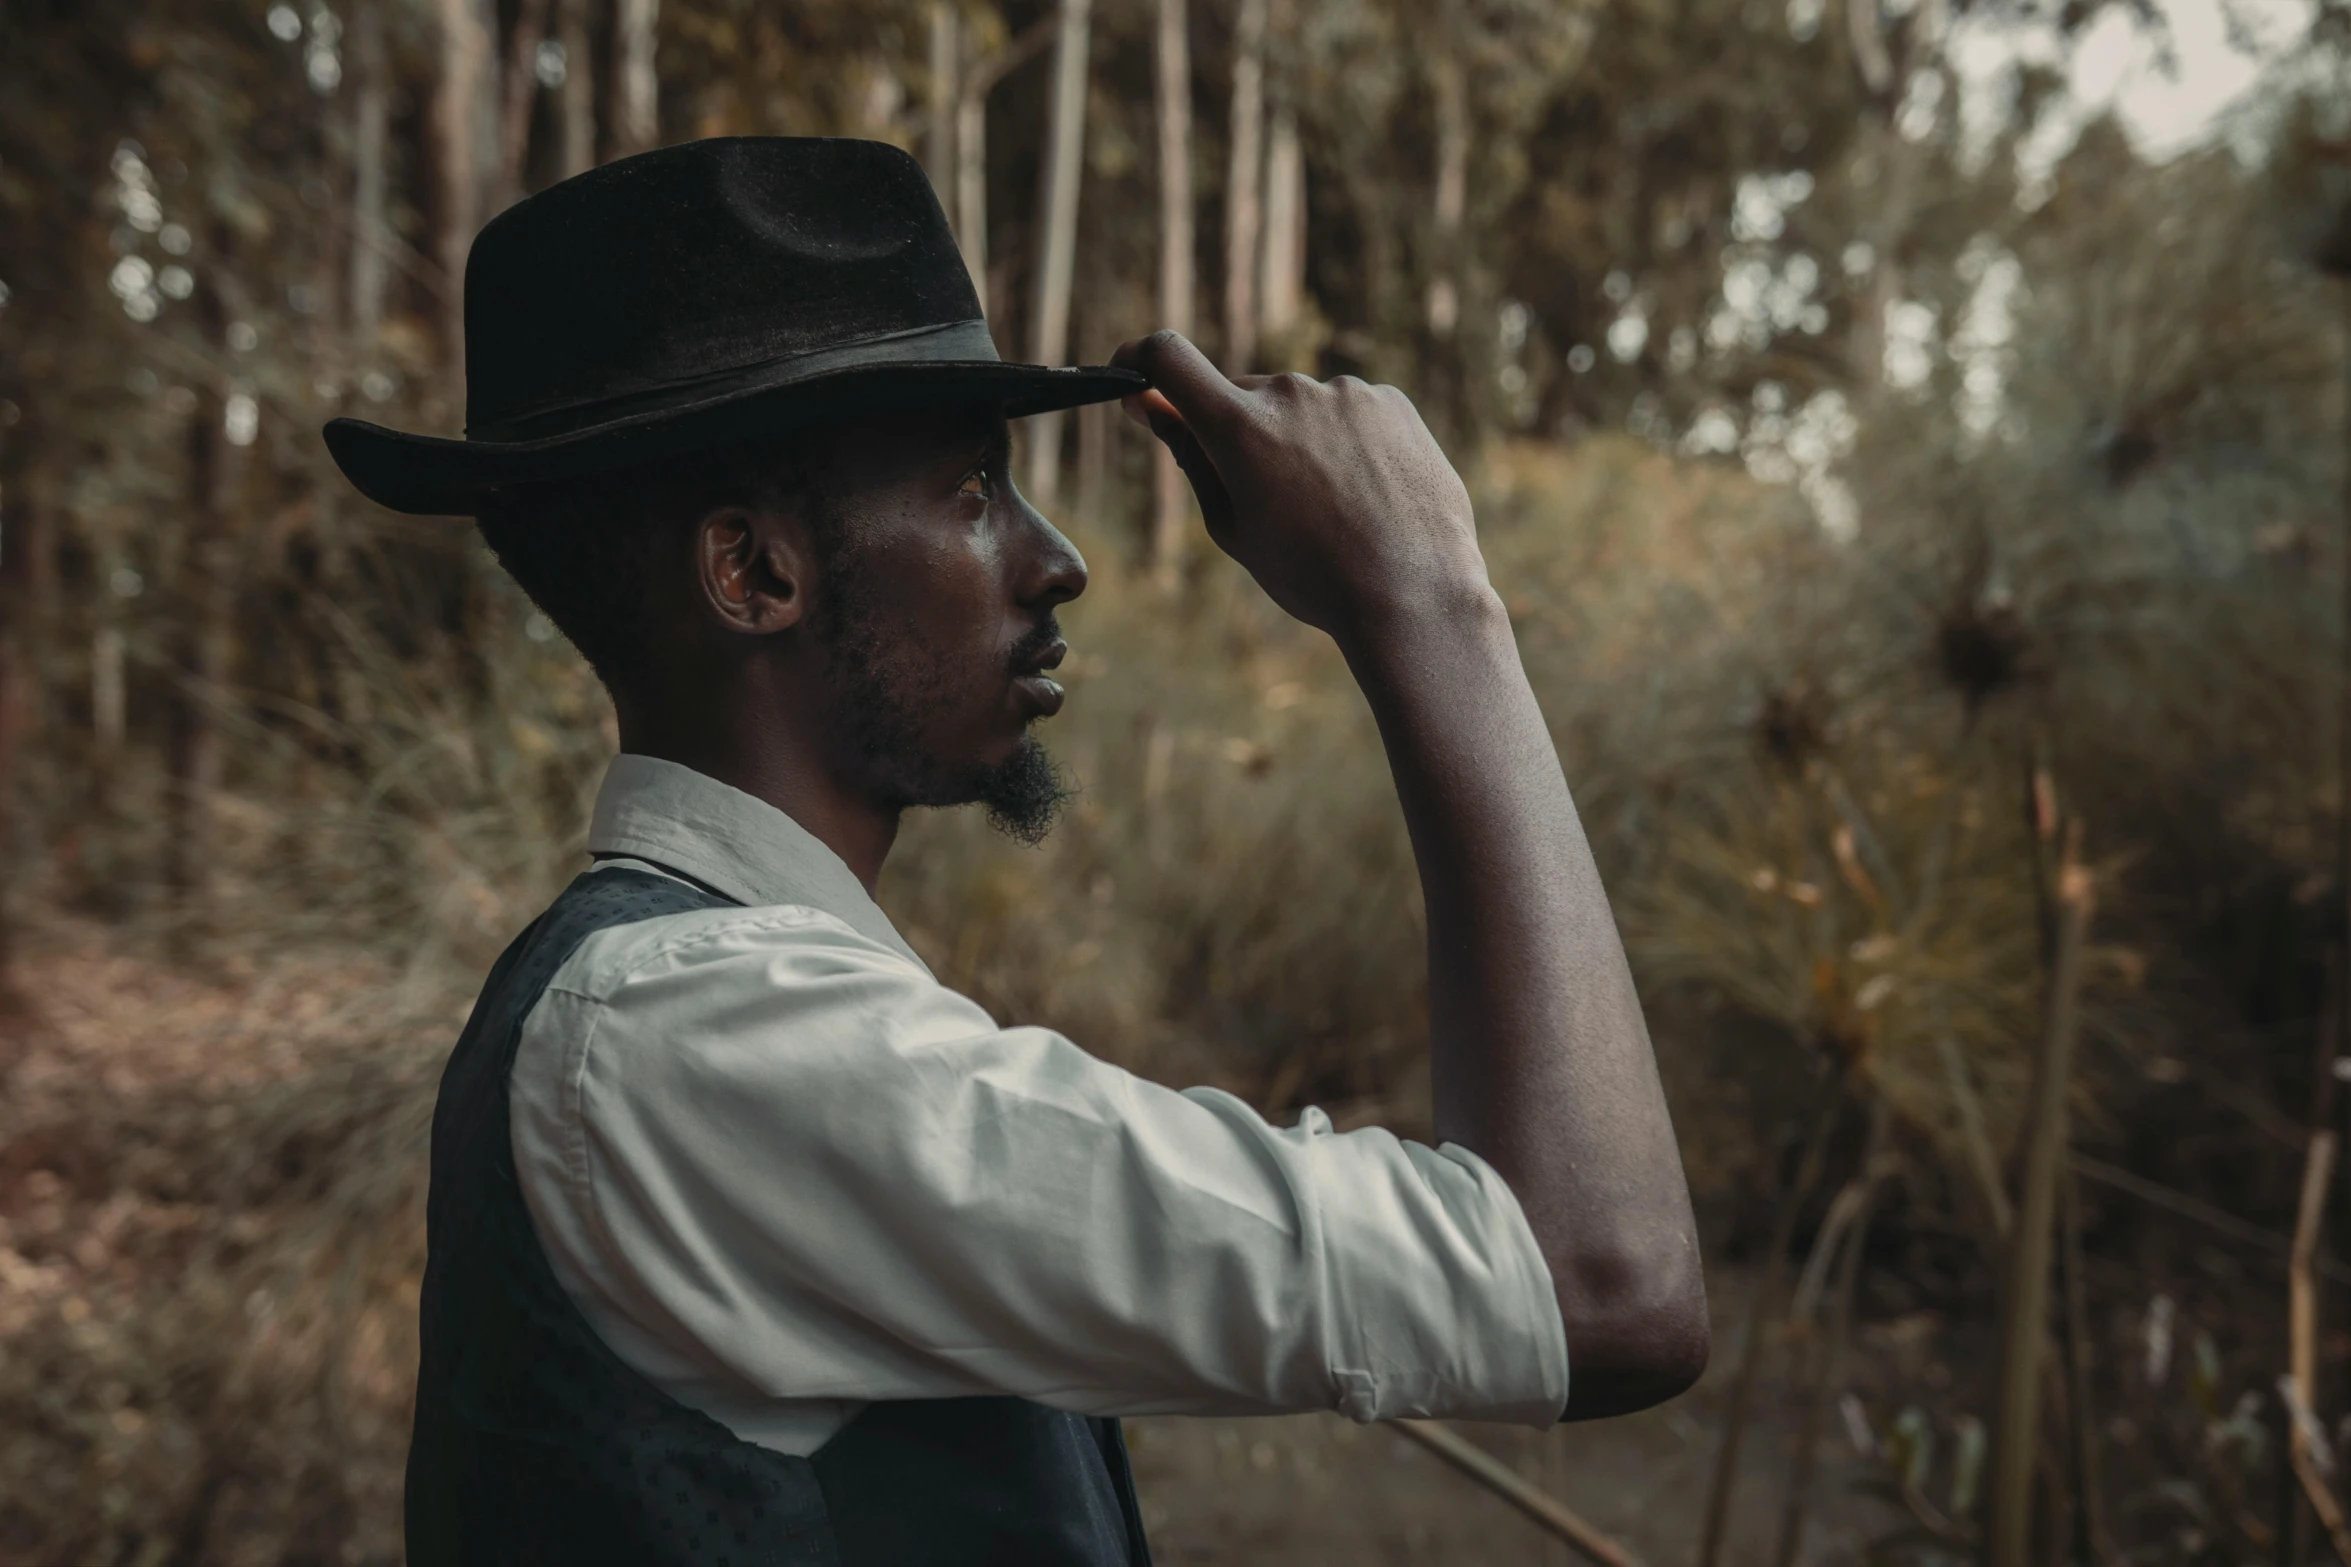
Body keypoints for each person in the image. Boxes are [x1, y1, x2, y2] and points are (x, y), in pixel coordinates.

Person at [324, 136, 1706, 1567]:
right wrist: (1432, 603)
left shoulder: (712, 1010)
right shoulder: (692, 1038)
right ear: (752, 573)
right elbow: (1598, 1282)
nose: (1058, 560)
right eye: (974, 494)